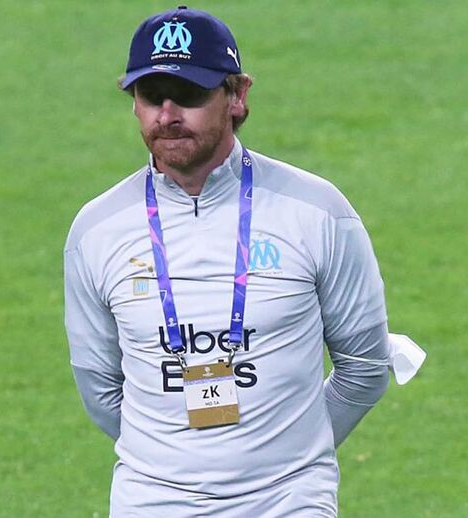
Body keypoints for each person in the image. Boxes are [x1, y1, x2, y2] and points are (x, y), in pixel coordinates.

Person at [64, 6, 391, 516]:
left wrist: (291, 455)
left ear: (237, 95)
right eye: (151, 95)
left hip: (287, 501)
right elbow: (100, 388)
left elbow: (366, 366)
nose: (167, 115)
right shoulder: (97, 230)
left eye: (189, 94)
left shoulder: (317, 212)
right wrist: (172, 462)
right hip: (152, 502)